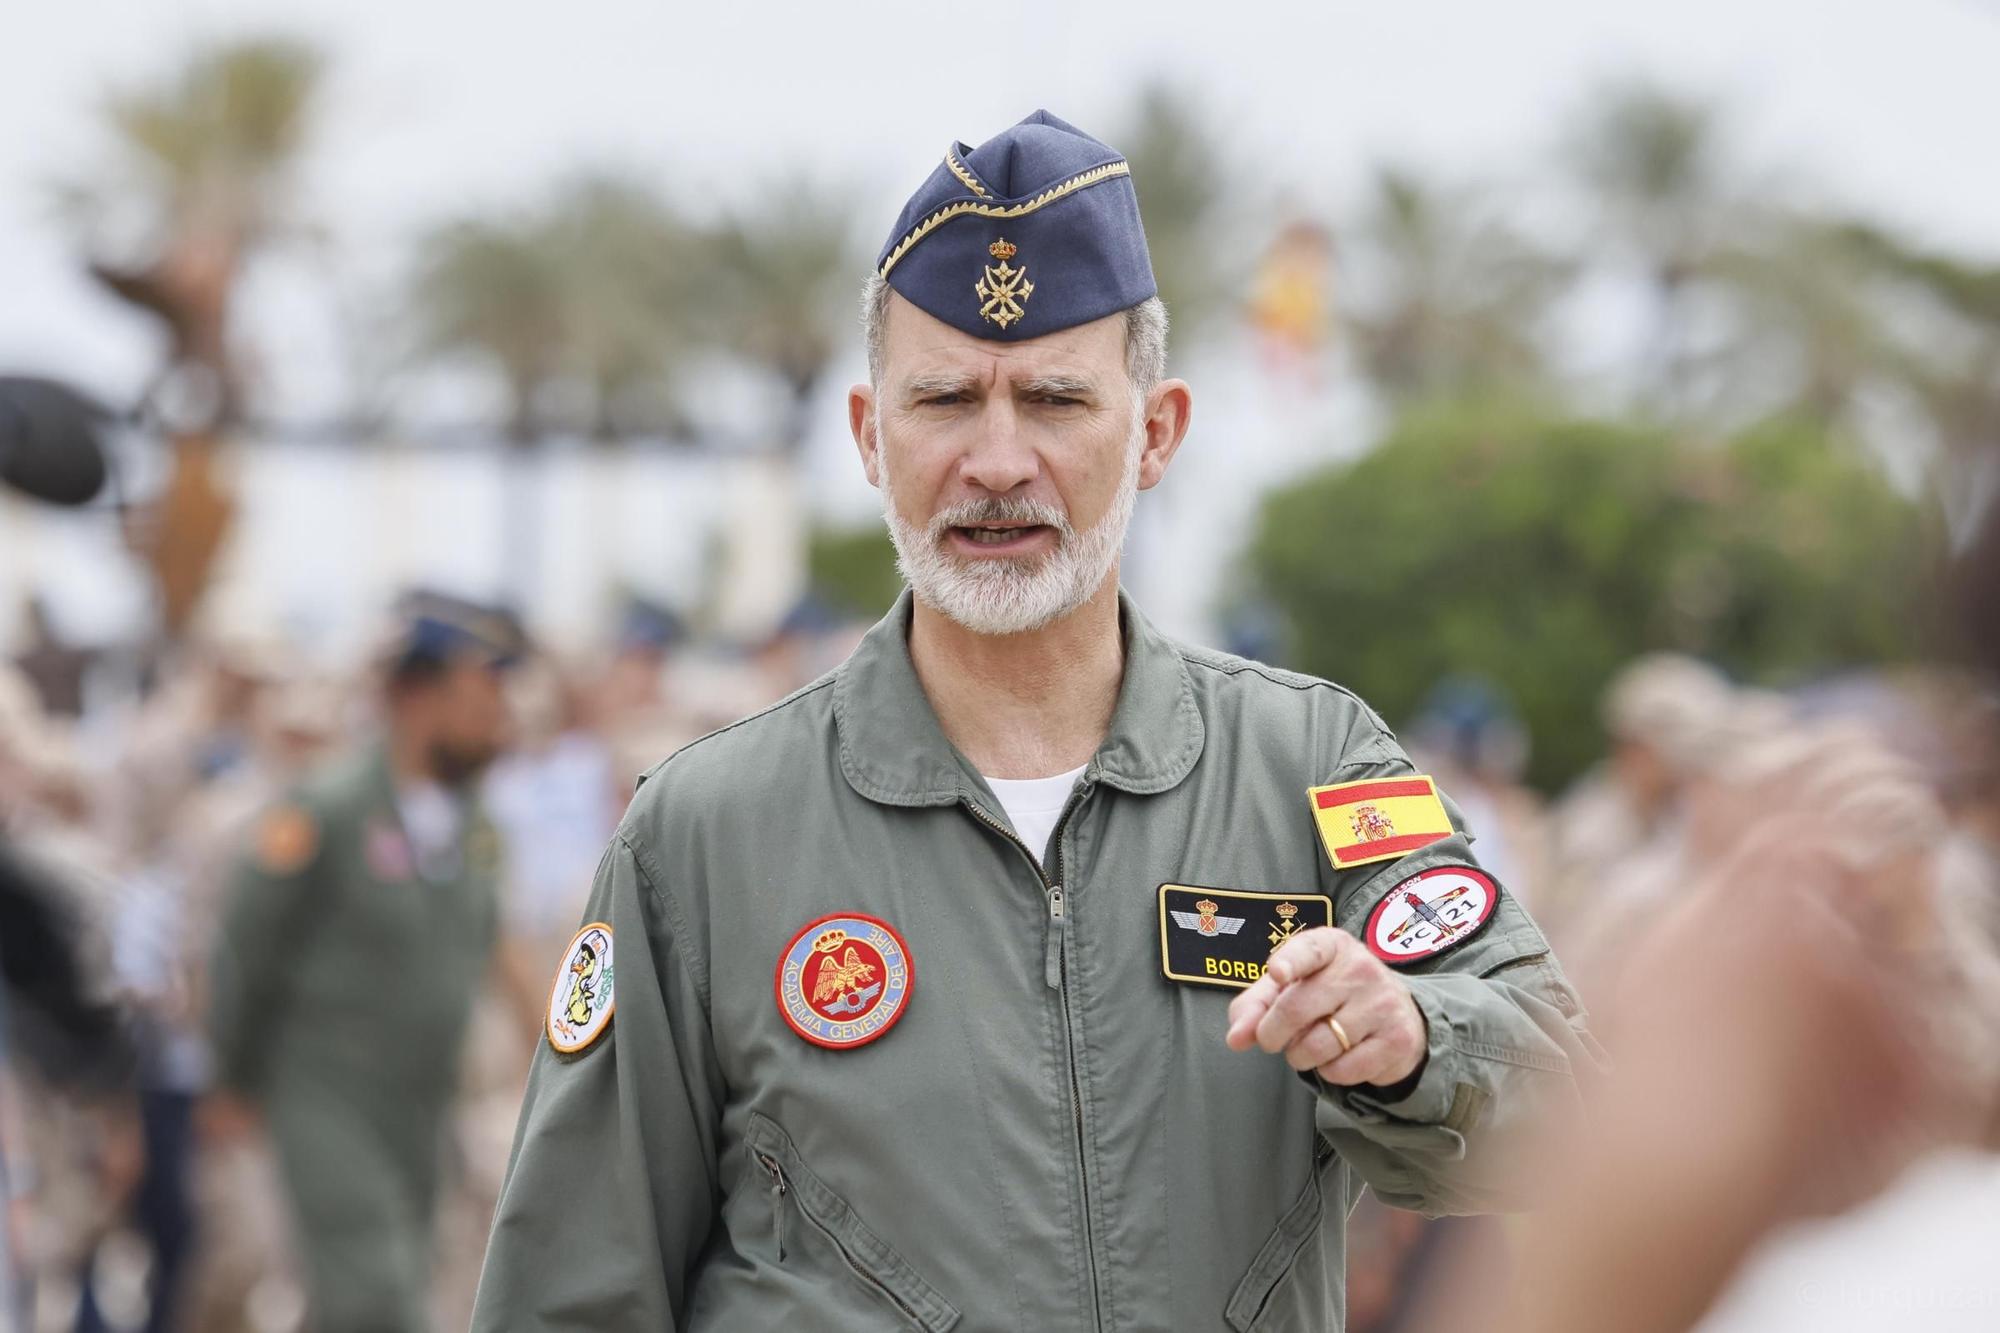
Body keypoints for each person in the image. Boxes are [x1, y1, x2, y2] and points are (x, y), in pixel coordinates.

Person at [471, 110, 1599, 1332]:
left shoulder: (1314, 771)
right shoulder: (703, 836)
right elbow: (568, 1293)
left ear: (1154, 432)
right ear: (866, 435)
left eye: (1056, 400)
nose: (997, 460)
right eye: (945, 399)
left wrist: (1410, 1036)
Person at [205, 590, 523, 1333]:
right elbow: (247, 944)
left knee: (381, 1281)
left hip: (421, 1101)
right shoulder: (327, 810)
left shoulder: (474, 823)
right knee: (375, 1296)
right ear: (417, 693)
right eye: (482, 686)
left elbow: (493, 946)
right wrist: (230, 1075)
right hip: (328, 1092)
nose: (499, 709)